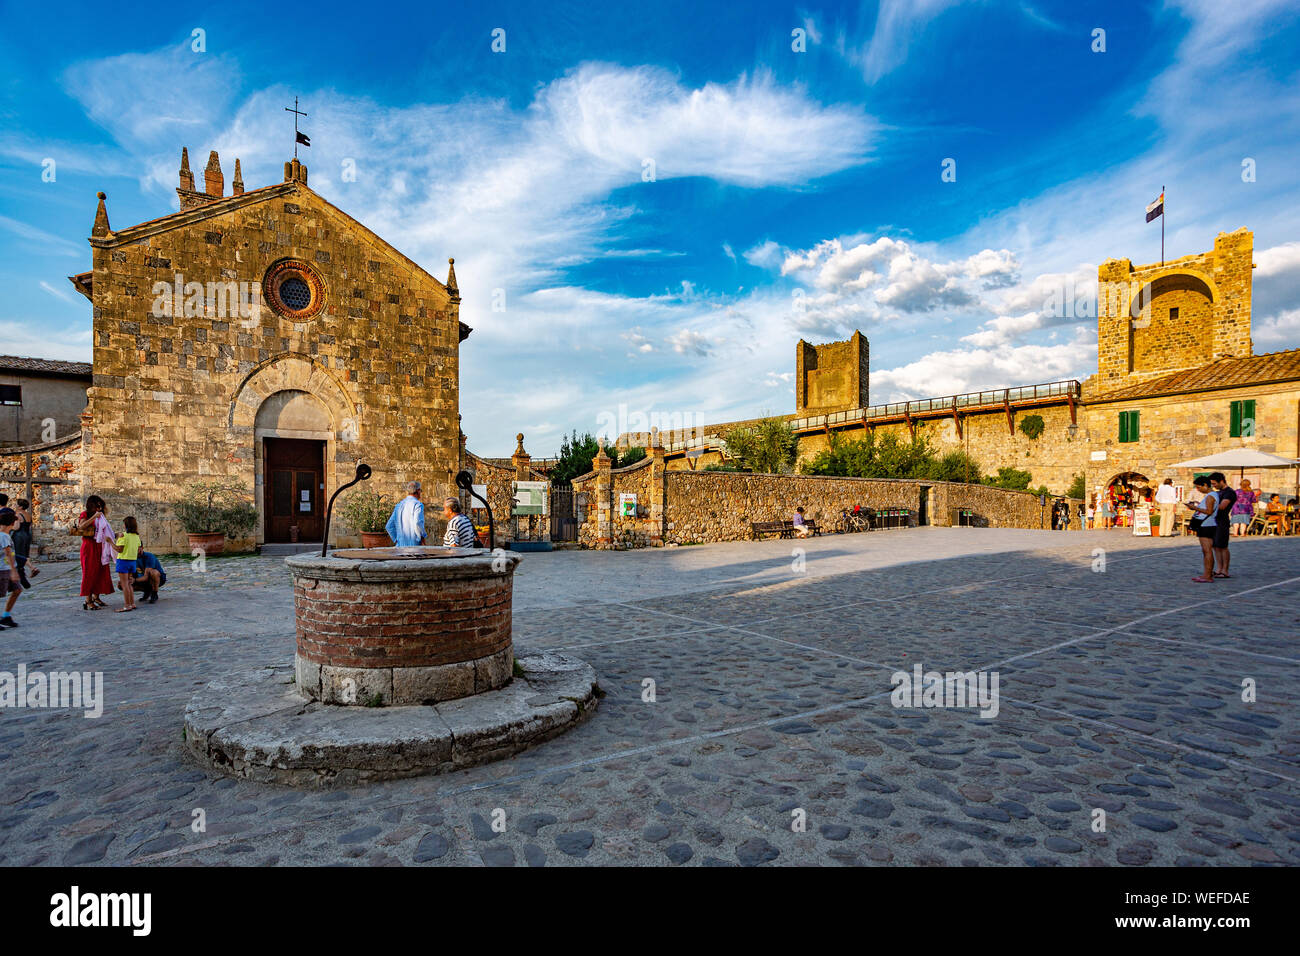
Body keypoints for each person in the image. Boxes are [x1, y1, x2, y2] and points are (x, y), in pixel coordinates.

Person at [73, 495, 114, 610]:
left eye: (101, 506)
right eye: (97, 506)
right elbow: (81, 526)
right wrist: (94, 517)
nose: (99, 508)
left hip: (100, 547)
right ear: (92, 505)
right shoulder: (85, 514)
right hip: (89, 547)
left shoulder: (101, 516)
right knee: (89, 572)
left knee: (101, 572)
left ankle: (96, 597)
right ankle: (88, 600)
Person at [1184, 476, 1219, 583]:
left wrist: (1194, 508)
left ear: (1205, 485)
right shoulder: (1212, 495)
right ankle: (1207, 574)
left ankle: (1207, 575)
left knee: (1207, 551)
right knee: (1207, 551)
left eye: (1199, 487)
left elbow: (1209, 511)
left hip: (1206, 525)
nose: (1198, 490)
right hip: (1208, 524)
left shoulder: (1210, 496)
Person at [1209, 472, 1235, 577]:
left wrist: (1209, 506)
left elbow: (1222, 506)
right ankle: (1219, 569)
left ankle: (1225, 570)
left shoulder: (1229, 492)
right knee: (1216, 546)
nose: (1213, 486)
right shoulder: (1219, 492)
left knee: (1223, 546)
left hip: (1222, 521)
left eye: (1214, 483)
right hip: (1214, 521)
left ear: (1221, 481)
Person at [385, 481, 426, 547]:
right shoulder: (417, 504)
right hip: (414, 546)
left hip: (400, 547)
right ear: (418, 491)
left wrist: (397, 539)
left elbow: (389, 526)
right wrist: (422, 538)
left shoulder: (399, 505)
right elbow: (417, 523)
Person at [114, 516, 141, 612]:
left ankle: (126, 605)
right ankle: (132, 603)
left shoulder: (123, 536)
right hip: (132, 562)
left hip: (123, 561)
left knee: (124, 584)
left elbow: (119, 550)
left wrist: (110, 542)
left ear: (126, 525)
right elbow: (138, 550)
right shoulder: (136, 536)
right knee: (129, 584)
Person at [0, 510, 22, 628]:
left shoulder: (5, 535)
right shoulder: (3, 536)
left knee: (17, 590)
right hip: (3, 569)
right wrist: (13, 571)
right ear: (12, 523)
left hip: (7, 568)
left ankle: (6, 616)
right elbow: (8, 554)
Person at [11, 498, 38, 587]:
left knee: (18, 554)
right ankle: (32, 568)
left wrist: (9, 527)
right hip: (27, 535)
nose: (15, 506)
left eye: (17, 504)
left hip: (19, 536)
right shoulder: (28, 515)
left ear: (20, 506)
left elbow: (16, 527)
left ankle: (27, 570)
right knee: (26, 554)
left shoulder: (18, 514)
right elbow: (29, 525)